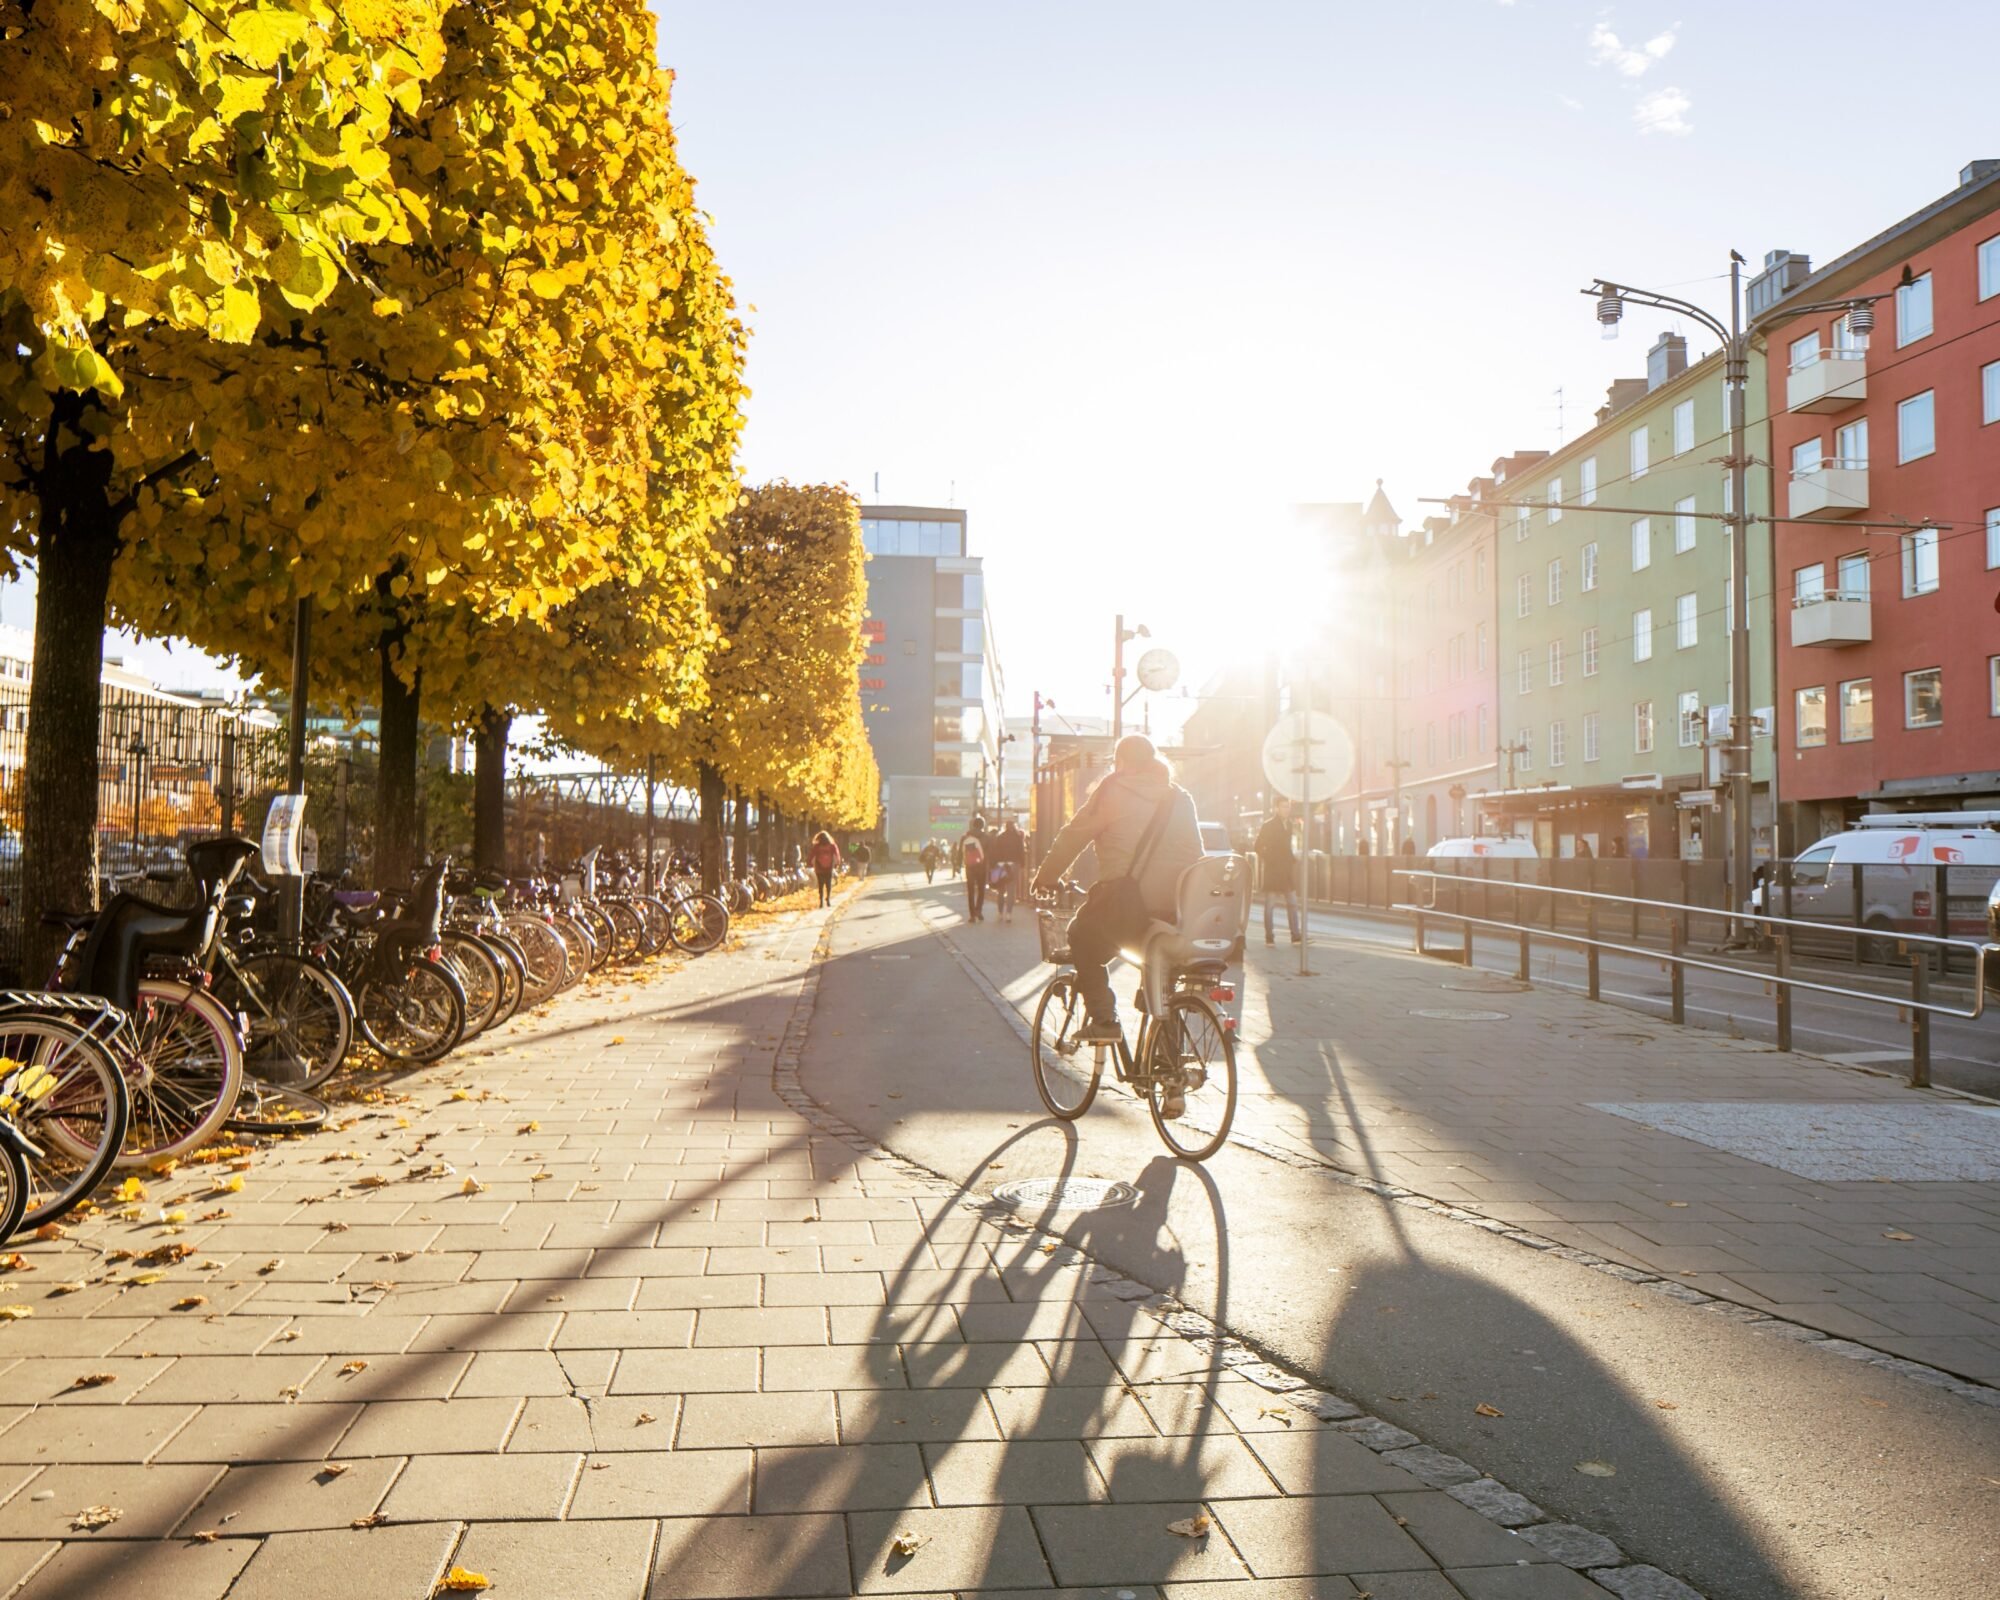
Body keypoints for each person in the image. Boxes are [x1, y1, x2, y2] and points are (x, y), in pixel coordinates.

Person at [1032, 734, 1203, 1072]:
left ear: (1121, 762)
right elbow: (1197, 854)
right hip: (1179, 906)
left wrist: (1047, 876)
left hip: (1127, 904)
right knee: (1158, 964)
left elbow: (1074, 835)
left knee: (1081, 935)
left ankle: (1104, 1020)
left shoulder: (1114, 789)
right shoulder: (1180, 797)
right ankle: (1168, 1071)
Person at [1253, 798, 1301, 946]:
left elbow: (1287, 847)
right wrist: (1270, 859)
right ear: (1276, 808)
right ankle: (1269, 937)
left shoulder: (1290, 825)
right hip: (1273, 871)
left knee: (1292, 903)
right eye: (1283, 807)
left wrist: (1293, 859)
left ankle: (1295, 936)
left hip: (1286, 871)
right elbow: (1258, 846)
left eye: (1288, 807)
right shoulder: (1268, 825)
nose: (1287, 809)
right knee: (1270, 905)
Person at [988, 816, 1027, 924]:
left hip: (1001, 865)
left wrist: (994, 865)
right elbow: (1021, 852)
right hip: (1014, 865)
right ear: (1014, 827)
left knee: (1001, 890)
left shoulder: (1000, 837)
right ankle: (1009, 914)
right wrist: (1022, 864)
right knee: (1011, 890)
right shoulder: (1018, 838)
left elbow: (995, 852)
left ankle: (1000, 913)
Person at [961, 817, 988, 922]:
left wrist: (958, 865)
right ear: (983, 825)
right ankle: (979, 911)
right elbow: (990, 853)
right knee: (981, 890)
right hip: (981, 866)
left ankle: (972, 915)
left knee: (971, 891)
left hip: (969, 867)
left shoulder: (965, 837)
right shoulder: (986, 837)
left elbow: (961, 852)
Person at [808, 830, 840, 907]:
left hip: (819, 868)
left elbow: (812, 856)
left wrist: (809, 864)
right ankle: (828, 899)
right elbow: (836, 856)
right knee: (828, 884)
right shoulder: (832, 846)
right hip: (829, 868)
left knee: (820, 884)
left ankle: (821, 901)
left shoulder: (817, 846)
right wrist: (837, 864)